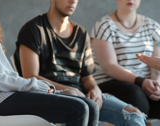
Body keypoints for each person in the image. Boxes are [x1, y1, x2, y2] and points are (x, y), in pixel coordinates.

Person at [13, 0, 146, 125]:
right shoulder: (33, 29)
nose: (72, 1)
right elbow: (30, 76)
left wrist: (95, 88)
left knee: (134, 114)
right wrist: (70, 89)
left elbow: (87, 77)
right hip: (50, 95)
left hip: (81, 94)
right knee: (77, 102)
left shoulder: (81, 33)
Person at [0, 0, 99, 126]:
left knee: (91, 106)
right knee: (78, 109)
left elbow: (6, 73)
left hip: (9, 93)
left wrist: (50, 90)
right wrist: (36, 86)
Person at [90, 0, 160, 125]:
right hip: (112, 83)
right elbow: (109, 67)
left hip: (146, 85)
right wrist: (141, 82)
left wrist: (157, 84)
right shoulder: (103, 26)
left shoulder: (154, 27)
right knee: (135, 93)